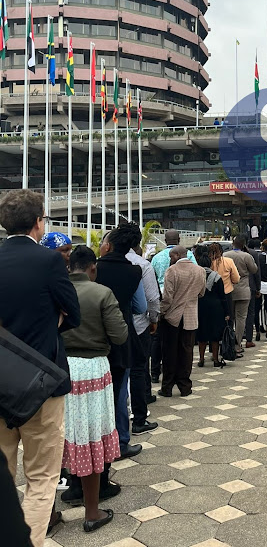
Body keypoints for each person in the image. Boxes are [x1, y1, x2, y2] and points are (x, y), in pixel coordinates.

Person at [0, 189, 80, 547]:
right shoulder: (48, 262)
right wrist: (52, 321)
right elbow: (73, 312)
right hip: (42, 382)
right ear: (38, 222)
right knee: (42, 478)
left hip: (0, 383)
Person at [61, 246, 128, 533]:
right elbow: (120, 334)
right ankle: (92, 511)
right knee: (93, 433)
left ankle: (53, 508)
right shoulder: (102, 293)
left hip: (61, 367)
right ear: (92, 268)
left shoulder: (57, 291)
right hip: (93, 367)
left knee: (62, 435)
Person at [96, 224, 146, 461]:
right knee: (118, 393)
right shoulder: (134, 271)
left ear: (109, 244)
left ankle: (96, 443)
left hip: (93, 338)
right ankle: (121, 442)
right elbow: (141, 307)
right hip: (122, 336)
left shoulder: (94, 268)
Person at [159, 246, 206, 397]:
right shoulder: (200, 270)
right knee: (187, 351)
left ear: (177, 255)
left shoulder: (172, 271)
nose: (170, 259)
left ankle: (167, 387)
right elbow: (202, 292)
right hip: (191, 316)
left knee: (170, 352)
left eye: (171, 256)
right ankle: (185, 386)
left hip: (173, 317)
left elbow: (167, 297)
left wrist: (162, 311)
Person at [150, 230, 195, 382]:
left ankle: (155, 372)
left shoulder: (156, 258)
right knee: (182, 341)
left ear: (165, 239)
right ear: (179, 239)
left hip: (161, 296)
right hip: (182, 299)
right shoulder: (188, 255)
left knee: (158, 340)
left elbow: (153, 277)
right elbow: (194, 274)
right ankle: (181, 375)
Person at [126, 237, 160, 436]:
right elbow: (151, 298)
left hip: (111, 326)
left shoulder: (101, 263)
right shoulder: (142, 265)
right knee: (139, 369)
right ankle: (139, 416)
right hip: (139, 324)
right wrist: (154, 318)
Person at [193, 245, 230, 367]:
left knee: (202, 334)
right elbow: (222, 296)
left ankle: (201, 359)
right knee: (215, 334)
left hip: (200, 307)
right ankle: (215, 359)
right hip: (216, 308)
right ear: (209, 264)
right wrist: (227, 312)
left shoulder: (196, 276)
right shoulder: (216, 277)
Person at [228, 235, 258, 357]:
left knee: (230, 318)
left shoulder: (226, 255)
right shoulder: (246, 256)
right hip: (243, 289)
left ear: (233, 244)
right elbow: (254, 270)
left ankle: (227, 342)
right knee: (241, 318)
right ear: (244, 245)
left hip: (229, 289)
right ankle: (237, 344)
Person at [208, 241, 240, 322]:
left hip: (211, 295)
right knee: (229, 319)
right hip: (227, 293)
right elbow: (236, 279)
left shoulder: (208, 263)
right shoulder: (228, 261)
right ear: (221, 251)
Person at [244, 238, 262, 348]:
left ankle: (238, 337)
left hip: (234, 287)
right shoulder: (253, 254)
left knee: (237, 315)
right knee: (250, 313)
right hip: (250, 286)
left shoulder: (229, 254)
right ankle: (249, 338)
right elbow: (256, 272)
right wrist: (258, 287)